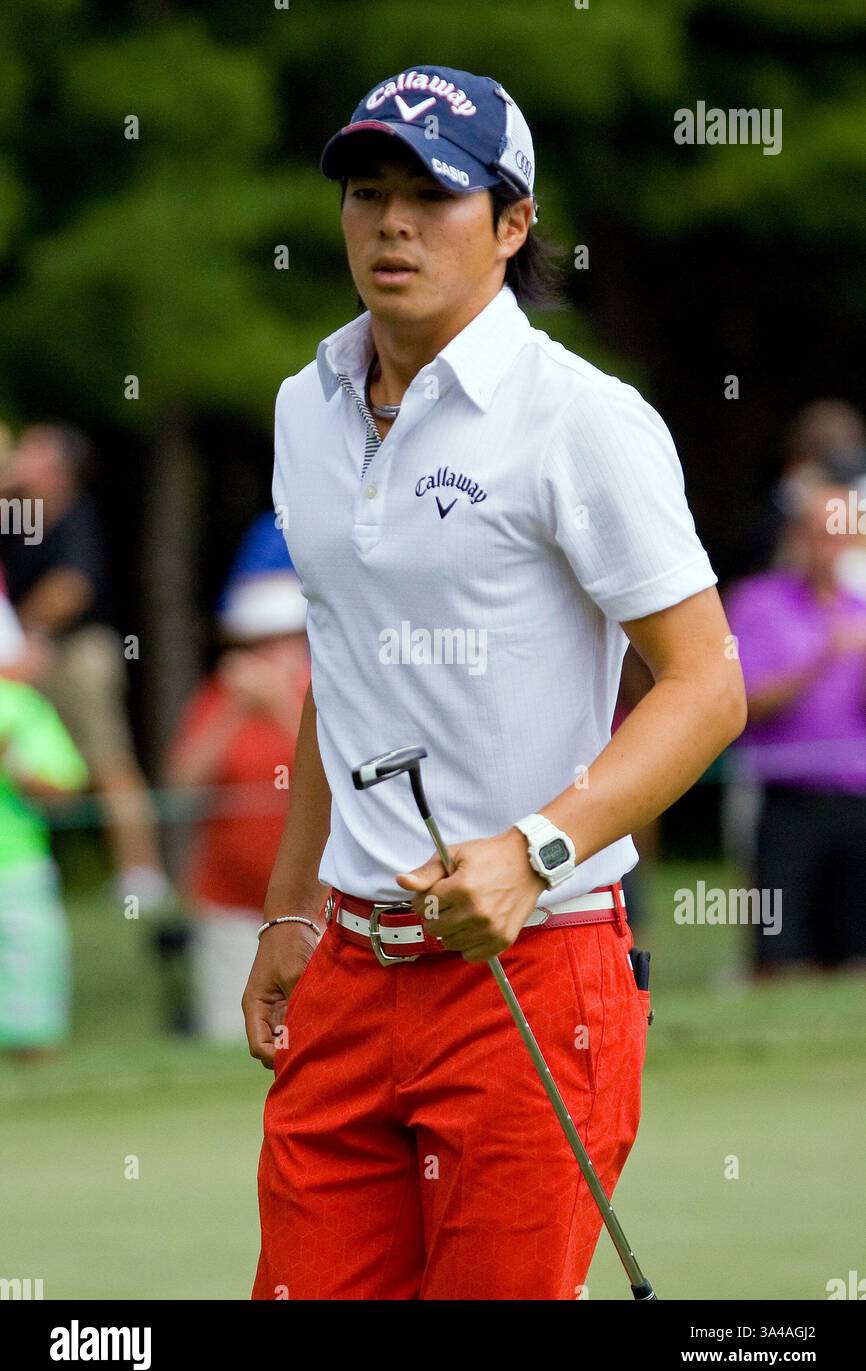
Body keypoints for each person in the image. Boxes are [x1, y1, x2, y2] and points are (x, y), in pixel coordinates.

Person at [244, 65, 746, 1301]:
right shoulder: (303, 406)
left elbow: (704, 685)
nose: (392, 224)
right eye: (368, 192)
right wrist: (292, 902)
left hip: (536, 971)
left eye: (434, 195)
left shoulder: (581, 418)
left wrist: (534, 849)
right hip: (352, 971)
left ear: (512, 223)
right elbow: (341, 659)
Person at [0, 423, 171, 911]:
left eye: (32, 451)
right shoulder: (20, 515)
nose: (20, 457)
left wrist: (23, 639)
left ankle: (142, 875)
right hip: (35, 653)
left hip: (78, 652)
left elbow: (71, 589)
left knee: (107, 759)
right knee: (30, 763)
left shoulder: (73, 516)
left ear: (57, 470)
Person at [725, 479, 866, 976]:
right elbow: (738, 703)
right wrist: (820, 659)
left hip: (857, 799)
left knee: (853, 954)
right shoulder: (757, 603)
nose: (829, 547)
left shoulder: (861, 609)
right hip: (786, 799)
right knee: (780, 952)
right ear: (797, 536)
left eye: (840, 534)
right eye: (818, 533)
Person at [166, 571, 309, 1040]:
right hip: (229, 900)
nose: (266, 655)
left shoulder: (323, 692)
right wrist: (232, 712)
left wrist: (281, 707)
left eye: (278, 642)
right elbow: (181, 787)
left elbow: (344, 777)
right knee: (234, 1034)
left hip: (314, 900)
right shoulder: (218, 699)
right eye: (254, 645)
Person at [0, 589, 89, 1060]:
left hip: (17, 867)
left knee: (29, 979)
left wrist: (16, 765)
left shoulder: (24, 706)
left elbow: (66, 789)